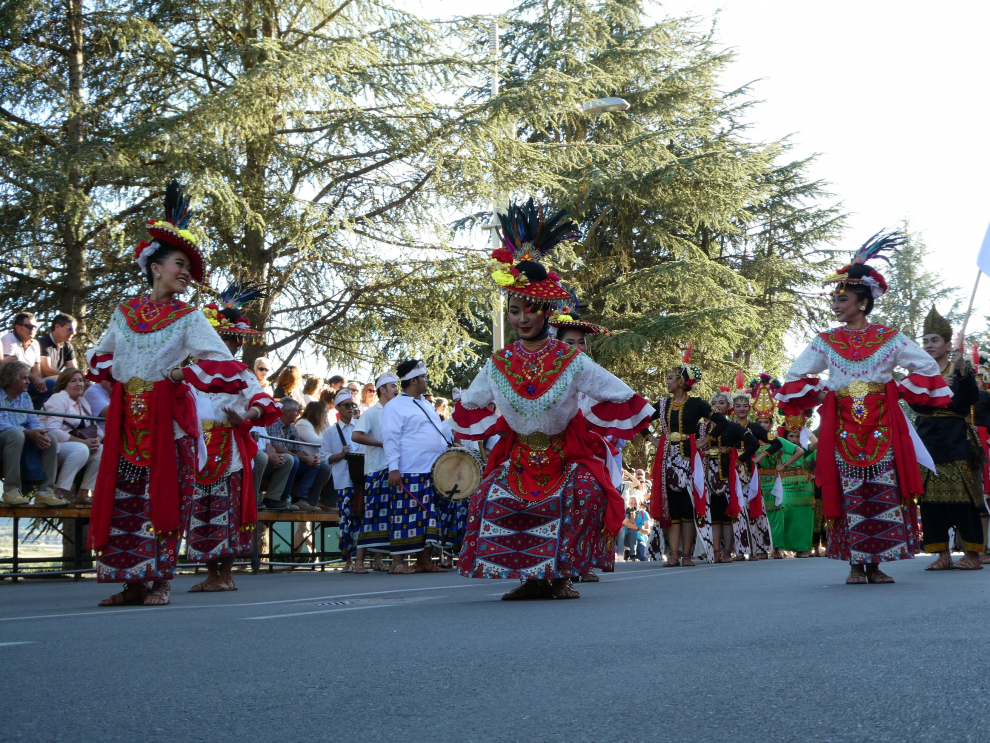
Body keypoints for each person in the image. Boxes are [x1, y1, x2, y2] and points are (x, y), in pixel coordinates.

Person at [452, 200, 652, 599]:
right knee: (489, 495)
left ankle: (559, 576)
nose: (522, 318)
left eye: (530, 310)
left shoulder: (570, 359)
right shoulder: (498, 363)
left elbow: (617, 392)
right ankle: (529, 577)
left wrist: (647, 416)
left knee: (588, 493)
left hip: (565, 456)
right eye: (514, 310)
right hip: (519, 457)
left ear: (546, 311)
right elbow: (471, 404)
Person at [86, 180, 269, 606]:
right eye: (179, 264)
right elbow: (99, 356)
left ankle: (161, 581)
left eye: (188, 267)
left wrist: (180, 376)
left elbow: (221, 361)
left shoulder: (188, 318)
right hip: (128, 417)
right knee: (125, 496)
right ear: (155, 266)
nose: (186, 273)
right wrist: (124, 378)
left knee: (164, 496)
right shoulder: (125, 312)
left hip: (169, 422)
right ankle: (132, 582)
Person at [776, 231, 951, 585]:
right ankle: (855, 563)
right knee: (849, 487)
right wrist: (828, 389)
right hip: (842, 424)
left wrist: (895, 390)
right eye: (835, 300)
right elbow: (796, 373)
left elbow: (927, 366)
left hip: (882, 422)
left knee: (881, 486)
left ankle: (877, 561)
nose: (836, 305)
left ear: (862, 301)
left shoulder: (889, 337)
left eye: (843, 298)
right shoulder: (825, 340)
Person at [187, 285, 279, 592]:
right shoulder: (192, 371)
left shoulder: (241, 374)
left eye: (232, 340)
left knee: (226, 510)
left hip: (228, 451)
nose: (231, 344)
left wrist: (246, 418)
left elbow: (265, 403)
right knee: (202, 510)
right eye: (225, 338)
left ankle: (226, 576)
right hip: (199, 448)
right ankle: (211, 573)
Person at [913, 307, 984, 571]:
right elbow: (917, 405)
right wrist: (934, 388)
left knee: (963, 498)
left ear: (946, 343)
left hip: (956, 439)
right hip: (927, 440)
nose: (930, 345)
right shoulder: (921, 372)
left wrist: (963, 372)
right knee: (930, 500)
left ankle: (973, 554)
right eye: (926, 341)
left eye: (935, 340)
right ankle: (941, 554)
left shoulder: (959, 368)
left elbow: (969, 400)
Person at [645, 349, 729, 567]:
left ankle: (687, 555)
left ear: (681, 381)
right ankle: (673, 554)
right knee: (671, 507)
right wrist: (652, 439)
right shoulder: (662, 405)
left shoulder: (697, 404)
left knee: (687, 505)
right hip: (666, 460)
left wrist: (706, 440)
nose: (667, 381)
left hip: (690, 460)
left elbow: (722, 422)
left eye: (671, 377)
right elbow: (640, 420)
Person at [381, 359, 450, 573]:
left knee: (426, 517)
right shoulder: (395, 406)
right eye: (423, 378)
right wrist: (394, 468)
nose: (426, 381)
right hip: (408, 470)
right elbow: (390, 438)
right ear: (413, 380)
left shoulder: (426, 404)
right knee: (404, 516)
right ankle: (398, 562)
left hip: (431, 470)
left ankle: (423, 561)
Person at [696, 390, 756, 563]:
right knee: (713, 513)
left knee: (727, 514)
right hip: (707, 473)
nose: (716, 406)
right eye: (713, 404)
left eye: (721, 403)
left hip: (727, 474)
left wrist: (740, 460)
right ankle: (715, 551)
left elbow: (752, 443)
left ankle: (727, 552)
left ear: (728, 407)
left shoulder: (733, 427)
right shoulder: (701, 428)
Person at [352, 371, 398, 572]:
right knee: (371, 515)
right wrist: (382, 444)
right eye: (393, 386)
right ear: (382, 390)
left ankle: (379, 560)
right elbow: (356, 435)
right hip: (376, 469)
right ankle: (359, 562)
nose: (397, 390)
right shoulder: (371, 413)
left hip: (393, 469)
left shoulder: (396, 411)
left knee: (386, 516)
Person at [0, 360, 60, 505]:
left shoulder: (24, 396)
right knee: (16, 435)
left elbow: (32, 418)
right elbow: (1, 424)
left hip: (20, 437)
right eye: (24, 378)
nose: (28, 382)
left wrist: (39, 431)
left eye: (28, 378)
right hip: (6, 438)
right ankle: (11, 491)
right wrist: (27, 432)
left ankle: (45, 492)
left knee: (50, 437)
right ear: (11, 380)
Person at [42, 368, 102, 506]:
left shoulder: (83, 402)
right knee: (81, 449)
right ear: (64, 384)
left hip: (75, 446)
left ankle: (83, 493)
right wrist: (83, 442)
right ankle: (58, 493)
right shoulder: (59, 398)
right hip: (53, 447)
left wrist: (97, 440)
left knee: (102, 450)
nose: (79, 384)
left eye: (80, 380)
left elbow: (97, 427)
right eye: (73, 381)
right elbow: (52, 430)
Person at [752, 411, 807, 558]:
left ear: (771, 424)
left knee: (775, 515)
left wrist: (784, 465)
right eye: (760, 422)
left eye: (766, 422)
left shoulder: (776, 440)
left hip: (771, 480)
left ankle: (776, 548)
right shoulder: (750, 439)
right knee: (758, 514)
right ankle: (761, 548)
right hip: (754, 480)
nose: (763, 425)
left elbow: (799, 451)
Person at [320, 389, 364, 571]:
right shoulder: (330, 432)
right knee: (345, 519)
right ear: (338, 407)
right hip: (343, 480)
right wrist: (341, 454)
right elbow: (324, 458)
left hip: (360, 480)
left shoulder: (360, 428)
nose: (350, 409)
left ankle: (361, 558)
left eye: (352, 405)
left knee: (360, 518)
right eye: (347, 405)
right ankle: (347, 560)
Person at [2, 313, 47, 396]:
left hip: (28, 381)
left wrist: (38, 381)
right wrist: (34, 378)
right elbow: (10, 368)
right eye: (29, 326)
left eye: (35, 326)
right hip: (13, 381)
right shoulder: (9, 338)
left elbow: (37, 371)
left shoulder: (35, 344)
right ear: (17, 327)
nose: (33, 329)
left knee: (48, 385)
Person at [38, 314, 79, 379]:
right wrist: (69, 376)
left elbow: (73, 370)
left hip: (58, 378)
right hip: (42, 382)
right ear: (57, 327)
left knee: (88, 383)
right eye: (70, 329)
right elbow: (45, 370)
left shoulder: (68, 346)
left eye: (75, 329)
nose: (74, 332)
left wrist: (83, 377)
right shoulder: (43, 342)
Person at [621, 496, 651, 561]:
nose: (633, 505)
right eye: (631, 503)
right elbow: (629, 527)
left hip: (640, 540)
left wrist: (637, 528)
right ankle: (632, 554)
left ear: (639, 504)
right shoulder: (626, 513)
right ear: (629, 504)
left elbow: (647, 531)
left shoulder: (644, 513)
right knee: (633, 532)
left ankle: (635, 554)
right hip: (628, 539)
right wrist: (632, 517)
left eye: (635, 503)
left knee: (644, 558)